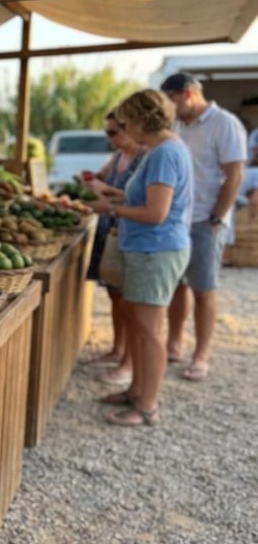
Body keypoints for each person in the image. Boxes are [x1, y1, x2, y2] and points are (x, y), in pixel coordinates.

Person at [84, 90, 193, 426]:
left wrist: (111, 208)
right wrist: (112, 194)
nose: (124, 128)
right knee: (140, 324)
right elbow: (146, 197)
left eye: (125, 121)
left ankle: (147, 406)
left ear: (139, 119)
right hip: (147, 249)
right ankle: (137, 391)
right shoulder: (161, 149)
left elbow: (156, 212)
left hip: (155, 250)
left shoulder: (164, 153)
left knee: (149, 331)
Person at [160, 73, 247, 381]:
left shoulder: (224, 123)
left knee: (204, 288)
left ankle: (202, 355)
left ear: (187, 94)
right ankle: (174, 343)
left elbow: (235, 173)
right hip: (177, 218)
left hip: (205, 220)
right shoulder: (178, 125)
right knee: (177, 285)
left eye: (170, 100)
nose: (168, 108)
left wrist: (217, 217)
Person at [83, 111, 144, 386]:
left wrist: (104, 194)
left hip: (128, 233)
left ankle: (128, 364)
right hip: (112, 231)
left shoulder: (145, 158)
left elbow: (139, 200)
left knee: (131, 303)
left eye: (113, 132)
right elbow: (104, 182)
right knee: (115, 297)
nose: (110, 138)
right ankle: (117, 349)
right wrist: (93, 184)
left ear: (129, 128)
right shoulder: (119, 157)